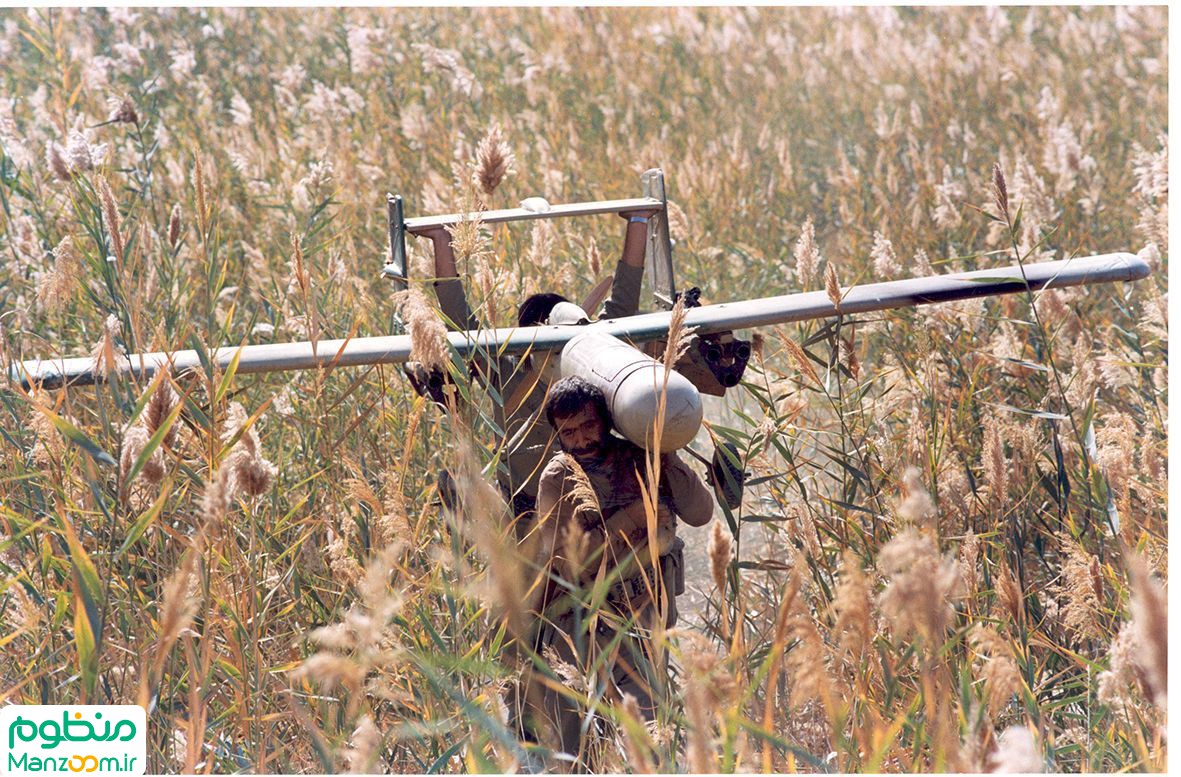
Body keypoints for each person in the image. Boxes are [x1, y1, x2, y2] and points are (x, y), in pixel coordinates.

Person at [408, 210, 656, 524]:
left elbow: (623, 300)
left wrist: (639, 220)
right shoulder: (506, 370)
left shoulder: (591, 359)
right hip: (529, 516)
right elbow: (460, 321)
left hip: (599, 511)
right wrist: (442, 241)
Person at [526, 376, 713, 767]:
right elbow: (568, 561)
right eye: (569, 431)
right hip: (582, 626)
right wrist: (629, 518)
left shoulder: (639, 456)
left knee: (650, 740)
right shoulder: (558, 477)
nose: (581, 440)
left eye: (589, 425)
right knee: (578, 749)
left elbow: (700, 513)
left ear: (607, 420)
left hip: (642, 623)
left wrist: (666, 456)